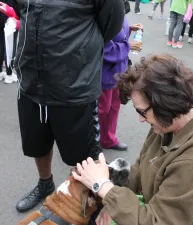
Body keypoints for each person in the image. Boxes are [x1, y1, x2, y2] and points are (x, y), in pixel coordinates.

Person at [73, 53, 193, 225]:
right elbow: (140, 170)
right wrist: (112, 202)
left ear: (165, 104)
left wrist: (103, 186)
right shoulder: (170, 121)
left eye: (142, 112)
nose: (141, 119)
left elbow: (158, 222)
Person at [6, 0, 125, 213]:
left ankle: (84, 200)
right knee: (37, 144)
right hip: (31, 81)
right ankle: (45, 185)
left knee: (83, 156)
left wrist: (77, 54)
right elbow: (19, 8)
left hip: (75, 86)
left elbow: (111, 24)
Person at [98, 16, 143, 151]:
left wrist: (128, 29)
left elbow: (117, 35)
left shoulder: (118, 7)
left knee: (114, 107)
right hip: (103, 73)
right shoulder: (104, 9)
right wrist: (129, 46)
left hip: (118, 71)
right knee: (101, 109)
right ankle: (87, 140)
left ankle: (108, 139)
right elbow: (103, 47)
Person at [0, 0, 18, 84]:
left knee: (1, 45)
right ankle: (9, 74)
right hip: (10, 15)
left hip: (2, 12)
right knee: (10, 45)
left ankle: (1, 72)